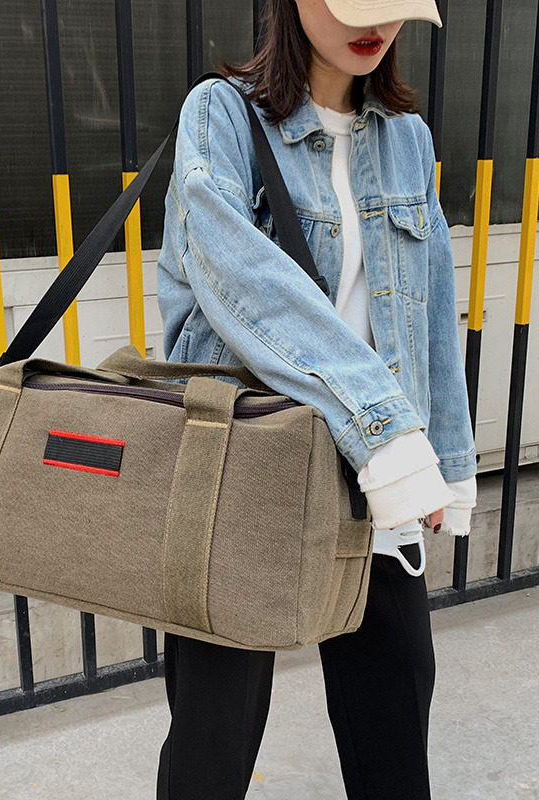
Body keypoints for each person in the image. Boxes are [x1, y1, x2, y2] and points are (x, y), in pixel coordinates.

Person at [154, 1, 477, 798]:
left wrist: (445, 459)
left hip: (376, 490)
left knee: (395, 743)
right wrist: (387, 431)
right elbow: (238, 279)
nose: (377, 26)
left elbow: (432, 304)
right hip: (242, 488)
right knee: (209, 755)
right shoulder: (220, 116)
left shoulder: (408, 140)